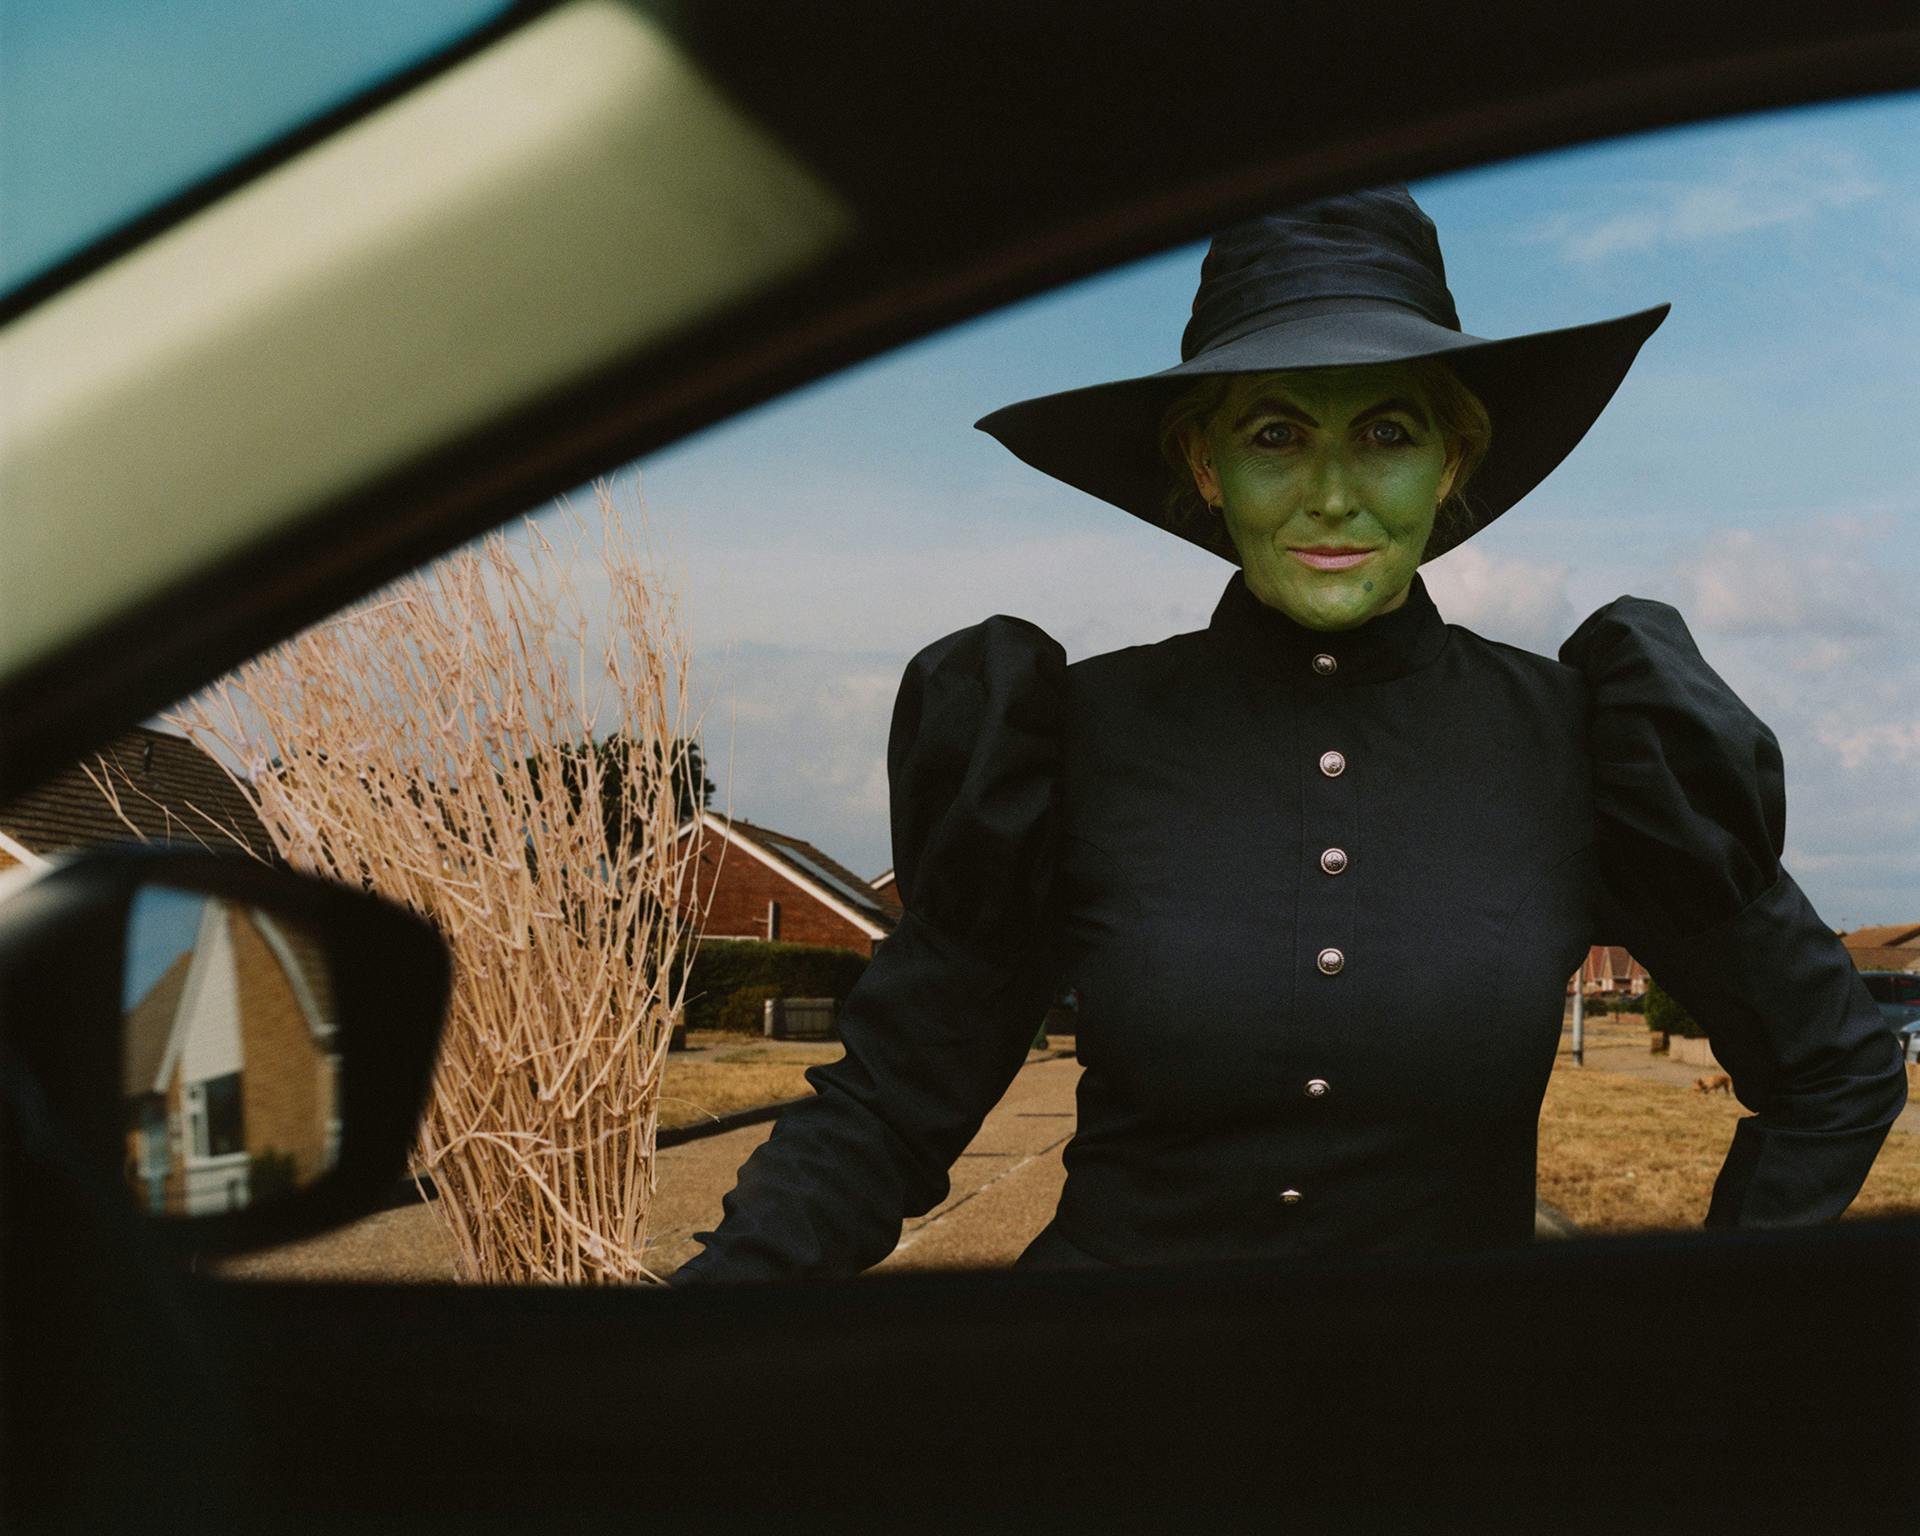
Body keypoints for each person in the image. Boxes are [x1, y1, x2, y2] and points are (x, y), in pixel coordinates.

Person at [671, 187, 1906, 1284]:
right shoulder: (1071, 735)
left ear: (1452, 458)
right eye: (1274, 433)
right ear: (1202, 463)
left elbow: (1832, 1070)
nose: (1331, 493)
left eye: (1386, 431)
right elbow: (890, 1109)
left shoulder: (1584, 741)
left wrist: (1701, 1350)